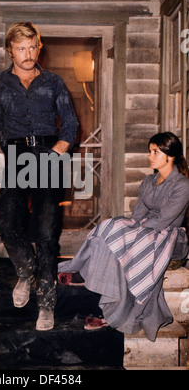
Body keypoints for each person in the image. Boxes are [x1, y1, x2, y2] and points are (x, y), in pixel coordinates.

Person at [0, 22, 79, 331]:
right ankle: (26, 271)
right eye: (20, 49)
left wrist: (57, 151)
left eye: (32, 47)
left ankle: (46, 305)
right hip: (16, 157)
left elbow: (69, 121)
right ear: (10, 50)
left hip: (49, 154)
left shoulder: (54, 82)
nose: (27, 55)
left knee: (45, 233)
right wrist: (10, 154)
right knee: (7, 224)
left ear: (39, 47)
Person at [58, 132, 189, 341]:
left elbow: (164, 221)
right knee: (109, 227)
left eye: (155, 152)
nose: (150, 156)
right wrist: (128, 228)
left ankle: (114, 310)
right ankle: (83, 268)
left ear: (170, 156)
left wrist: (133, 231)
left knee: (127, 241)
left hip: (171, 237)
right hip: (146, 230)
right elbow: (138, 215)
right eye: (149, 151)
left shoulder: (182, 185)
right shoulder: (149, 181)